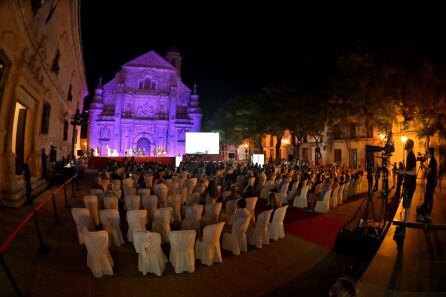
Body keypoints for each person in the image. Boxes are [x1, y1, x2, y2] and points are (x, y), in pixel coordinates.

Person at [396, 139, 417, 236]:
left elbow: (413, 172)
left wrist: (404, 172)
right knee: (406, 206)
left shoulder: (412, 156)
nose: (405, 148)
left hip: (410, 185)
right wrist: (403, 170)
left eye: (406, 146)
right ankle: (404, 224)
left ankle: (404, 228)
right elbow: (409, 170)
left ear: (409, 146)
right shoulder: (409, 156)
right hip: (408, 185)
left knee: (407, 207)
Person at [417, 147, 438, 222]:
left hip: (431, 183)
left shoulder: (433, 161)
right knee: (429, 198)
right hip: (431, 182)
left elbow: (428, 171)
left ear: (431, 153)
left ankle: (422, 212)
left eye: (428, 152)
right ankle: (427, 213)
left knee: (427, 198)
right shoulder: (432, 160)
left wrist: (422, 165)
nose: (427, 154)